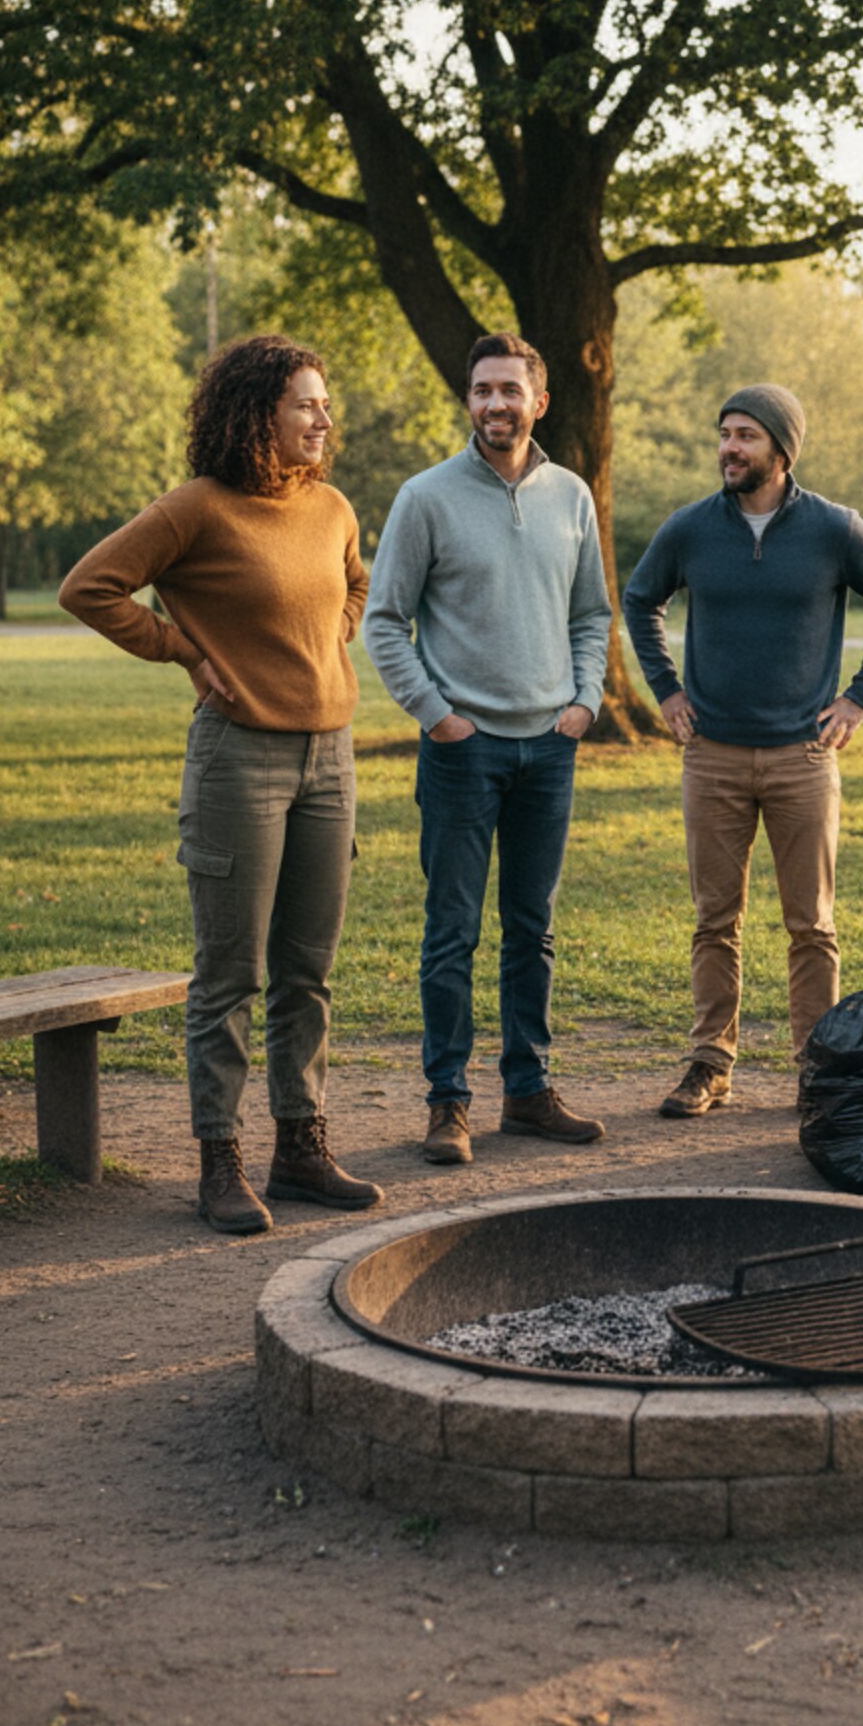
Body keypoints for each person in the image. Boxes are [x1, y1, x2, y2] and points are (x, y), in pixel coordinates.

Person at [59, 335, 382, 1233]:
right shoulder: (197, 509)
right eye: (305, 405)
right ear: (257, 416)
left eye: (325, 404)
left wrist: (332, 637)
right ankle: (219, 1161)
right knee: (230, 973)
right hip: (240, 760)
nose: (323, 419)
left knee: (307, 971)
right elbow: (90, 588)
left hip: (330, 760)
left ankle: (301, 1149)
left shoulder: (330, 507)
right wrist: (184, 649)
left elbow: (355, 584)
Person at [622, 383, 863, 1117]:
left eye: (746, 435)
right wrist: (664, 687)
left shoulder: (836, 530)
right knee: (713, 921)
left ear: (782, 450)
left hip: (803, 757)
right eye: (724, 433)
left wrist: (859, 697)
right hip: (712, 753)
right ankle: (709, 1064)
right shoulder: (690, 529)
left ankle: (817, 1069)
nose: (729, 447)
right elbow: (639, 598)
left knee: (811, 924)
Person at [363, 333, 612, 1166]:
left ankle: (529, 1090)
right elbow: (385, 620)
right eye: (480, 391)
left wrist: (584, 701)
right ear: (468, 402)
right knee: (451, 932)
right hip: (462, 751)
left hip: (550, 747)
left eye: (509, 389)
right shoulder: (425, 497)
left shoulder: (571, 495)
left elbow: (591, 614)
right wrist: (436, 715)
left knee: (532, 929)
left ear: (539, 401)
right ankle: (448, 1102)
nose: (494, 404)